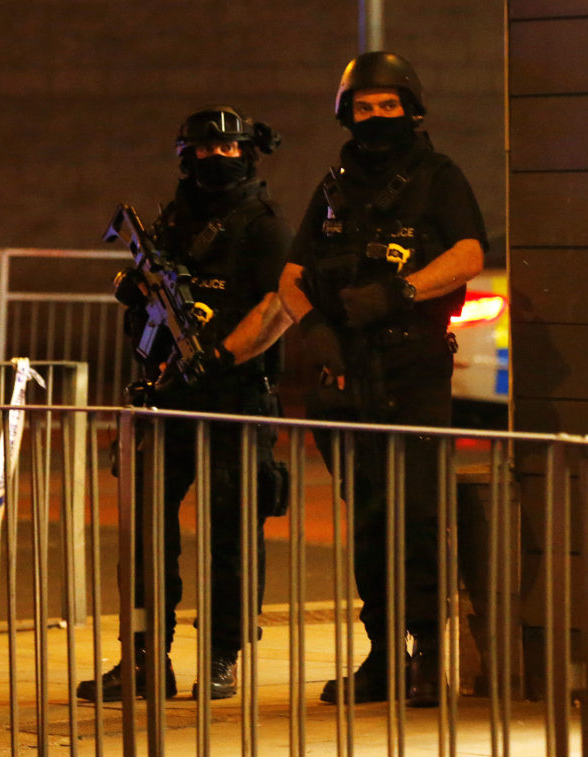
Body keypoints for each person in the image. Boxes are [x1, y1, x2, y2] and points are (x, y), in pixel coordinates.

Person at [278, 51, 487, 706]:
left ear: (410, 108)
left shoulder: (437, 176)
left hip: (413, 363)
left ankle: (427, 651)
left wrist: (401, 291)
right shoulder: (334, 186)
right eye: (363, 107)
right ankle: (384, 654)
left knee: (419, 510)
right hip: (347, 372)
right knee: (368, 517)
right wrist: (313, 327)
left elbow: (469, 253)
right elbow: (293, 274)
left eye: (386, 105)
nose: (375, 116)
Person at [77, 105, 294, 702]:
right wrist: (134, 286)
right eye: (203, 150)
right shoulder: (173, 219)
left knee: (232, 535)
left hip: (235, 397)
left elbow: (278, 307)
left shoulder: (265, 224)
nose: (216, 159)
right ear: (186, 156)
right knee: (146, 534)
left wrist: (220, 356)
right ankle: (145, 658)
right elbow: (146, 285)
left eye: (227, 150)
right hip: (164, 395)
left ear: (247, 154)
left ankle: (222, 657)